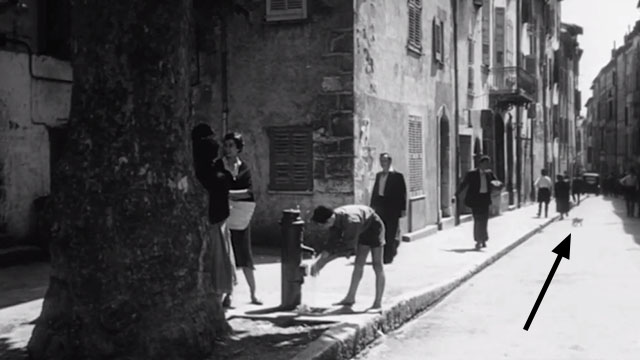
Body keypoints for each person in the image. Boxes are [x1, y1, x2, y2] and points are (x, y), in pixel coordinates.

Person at [308, 205, 386, 311]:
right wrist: (320, 259)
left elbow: (348, 249)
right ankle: (350, 298)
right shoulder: (335, 218)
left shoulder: (352, 222)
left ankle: (377, 303)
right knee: (358, 264)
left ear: (329, 220)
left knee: (377, 265)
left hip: (374, 227)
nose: (322, 228)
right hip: (363, 228)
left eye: (322, 225)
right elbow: (332, 243)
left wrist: (323, 263)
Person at [191, 124, 237, 302]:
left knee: (220, 257)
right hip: (215, 218)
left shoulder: (202, 167)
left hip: (215, 217)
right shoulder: (215, 173)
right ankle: (220, 295)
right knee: (219, 259)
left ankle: (222, 294)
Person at [218, 132, 262, 307]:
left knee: (245, 255)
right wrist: (234, 195)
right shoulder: (218, 166)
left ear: (238, 148)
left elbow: (249, 192)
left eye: (231, 146)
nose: (228, 149)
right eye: (226, 145)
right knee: (226, 256)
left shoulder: (244, 167)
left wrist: (227, 194)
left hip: (241, 215)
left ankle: (253, 294)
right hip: (222, 215)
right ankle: (228, 295)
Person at [454, 156, 503, 250]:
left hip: (485, 199)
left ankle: (484, 238)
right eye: (485, 164)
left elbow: (496, 182)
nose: (487, 166)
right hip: (475, 199)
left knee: (484, 220)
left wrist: (499, 185)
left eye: (488, 164)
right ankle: (478, 240)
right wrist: (456, 194)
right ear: (480, 164)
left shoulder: (489, 173)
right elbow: (464, 184)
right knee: (477, 220)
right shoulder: (472, 174)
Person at [370, 153, 407, 264]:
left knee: (391, 231)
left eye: (384, 161)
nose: (382, 163)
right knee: (381, 230)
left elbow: (402, 193)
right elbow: (375, 191)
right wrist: (372, 206)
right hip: (380, 206)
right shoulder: (378, 175)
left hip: (392, 208)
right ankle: (384, 254)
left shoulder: (397, 176)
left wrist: (403, 209)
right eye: (381, 161)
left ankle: (388, 256)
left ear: (390, 162)